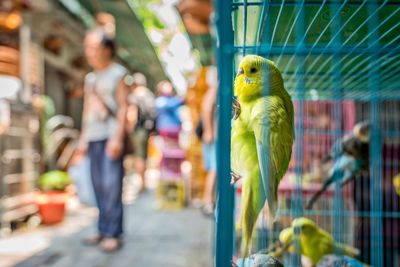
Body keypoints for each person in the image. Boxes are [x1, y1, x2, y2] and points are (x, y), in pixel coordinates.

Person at [77, 28, 129, 252]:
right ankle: (101, 227)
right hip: (93, 137)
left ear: (107, 49)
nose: (90, 52)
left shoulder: (117, 73)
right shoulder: (90, 78)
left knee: (111, 185)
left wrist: (117, 138)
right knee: (97, 184)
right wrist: (82, 139)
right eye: (87, 47)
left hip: (110, 136)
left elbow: (125, 107)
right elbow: (87, 109)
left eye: (94, 47)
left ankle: (113, 232)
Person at [126, 73, 156, 192]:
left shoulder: (135, 95)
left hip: (138, 130)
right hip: (147, 130)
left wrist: (128, 129)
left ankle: (141, 183)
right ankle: (143, 182)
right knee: (143, 156)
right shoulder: (149, 95)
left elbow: (132, 114)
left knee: (138, 156)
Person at [200, 65, 217, 216]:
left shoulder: (212, 91)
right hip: (214, 137)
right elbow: (206, 110)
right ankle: (207, 202)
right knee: (215, 169)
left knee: (215, 169)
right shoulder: (213, 91)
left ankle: (210, 201)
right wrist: (209, 131)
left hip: (214, 136)